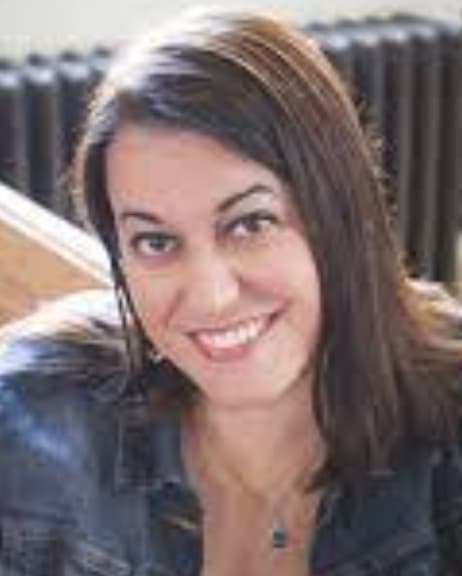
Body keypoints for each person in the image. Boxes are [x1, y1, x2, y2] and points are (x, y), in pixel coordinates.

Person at [1, 9, 462, 576]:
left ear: (338, 210)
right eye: (154, 241)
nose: (211, 297)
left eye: (249, 224)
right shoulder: (32, 423)